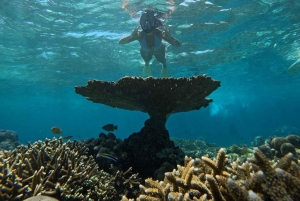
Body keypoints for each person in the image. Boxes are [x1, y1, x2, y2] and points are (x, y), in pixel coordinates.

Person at [119, 10, 180, 77]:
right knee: (146, 61)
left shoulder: (159, 33)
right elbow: (121, 42)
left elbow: (177, 44)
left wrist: (170, 37)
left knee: (162, 60)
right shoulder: (139, 35)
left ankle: (164, 66)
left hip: (159, 51)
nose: (147, 25)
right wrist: (131, 36)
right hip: (145, 52)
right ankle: (147, 64)